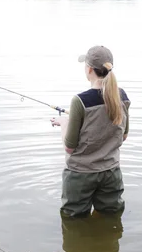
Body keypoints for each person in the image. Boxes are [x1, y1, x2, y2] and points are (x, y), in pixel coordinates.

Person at [51, 45, 130, 217]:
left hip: (81, 175)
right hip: (111, 173)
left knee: (74, 222)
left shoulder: (80, 101)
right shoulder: (122, 97)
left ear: (89, 69)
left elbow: (69, 147)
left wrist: (64, 123)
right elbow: (123, 136)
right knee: (111, 219)